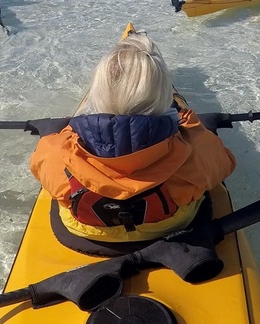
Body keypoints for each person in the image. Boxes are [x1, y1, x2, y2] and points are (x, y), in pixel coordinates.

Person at [29, 32, 236, 248]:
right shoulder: (196, 150)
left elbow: (39, 170)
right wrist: (192, 127)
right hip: (168, 225)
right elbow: (225, 163)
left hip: (89, 232)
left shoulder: (53, 151)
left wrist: (59, 133)